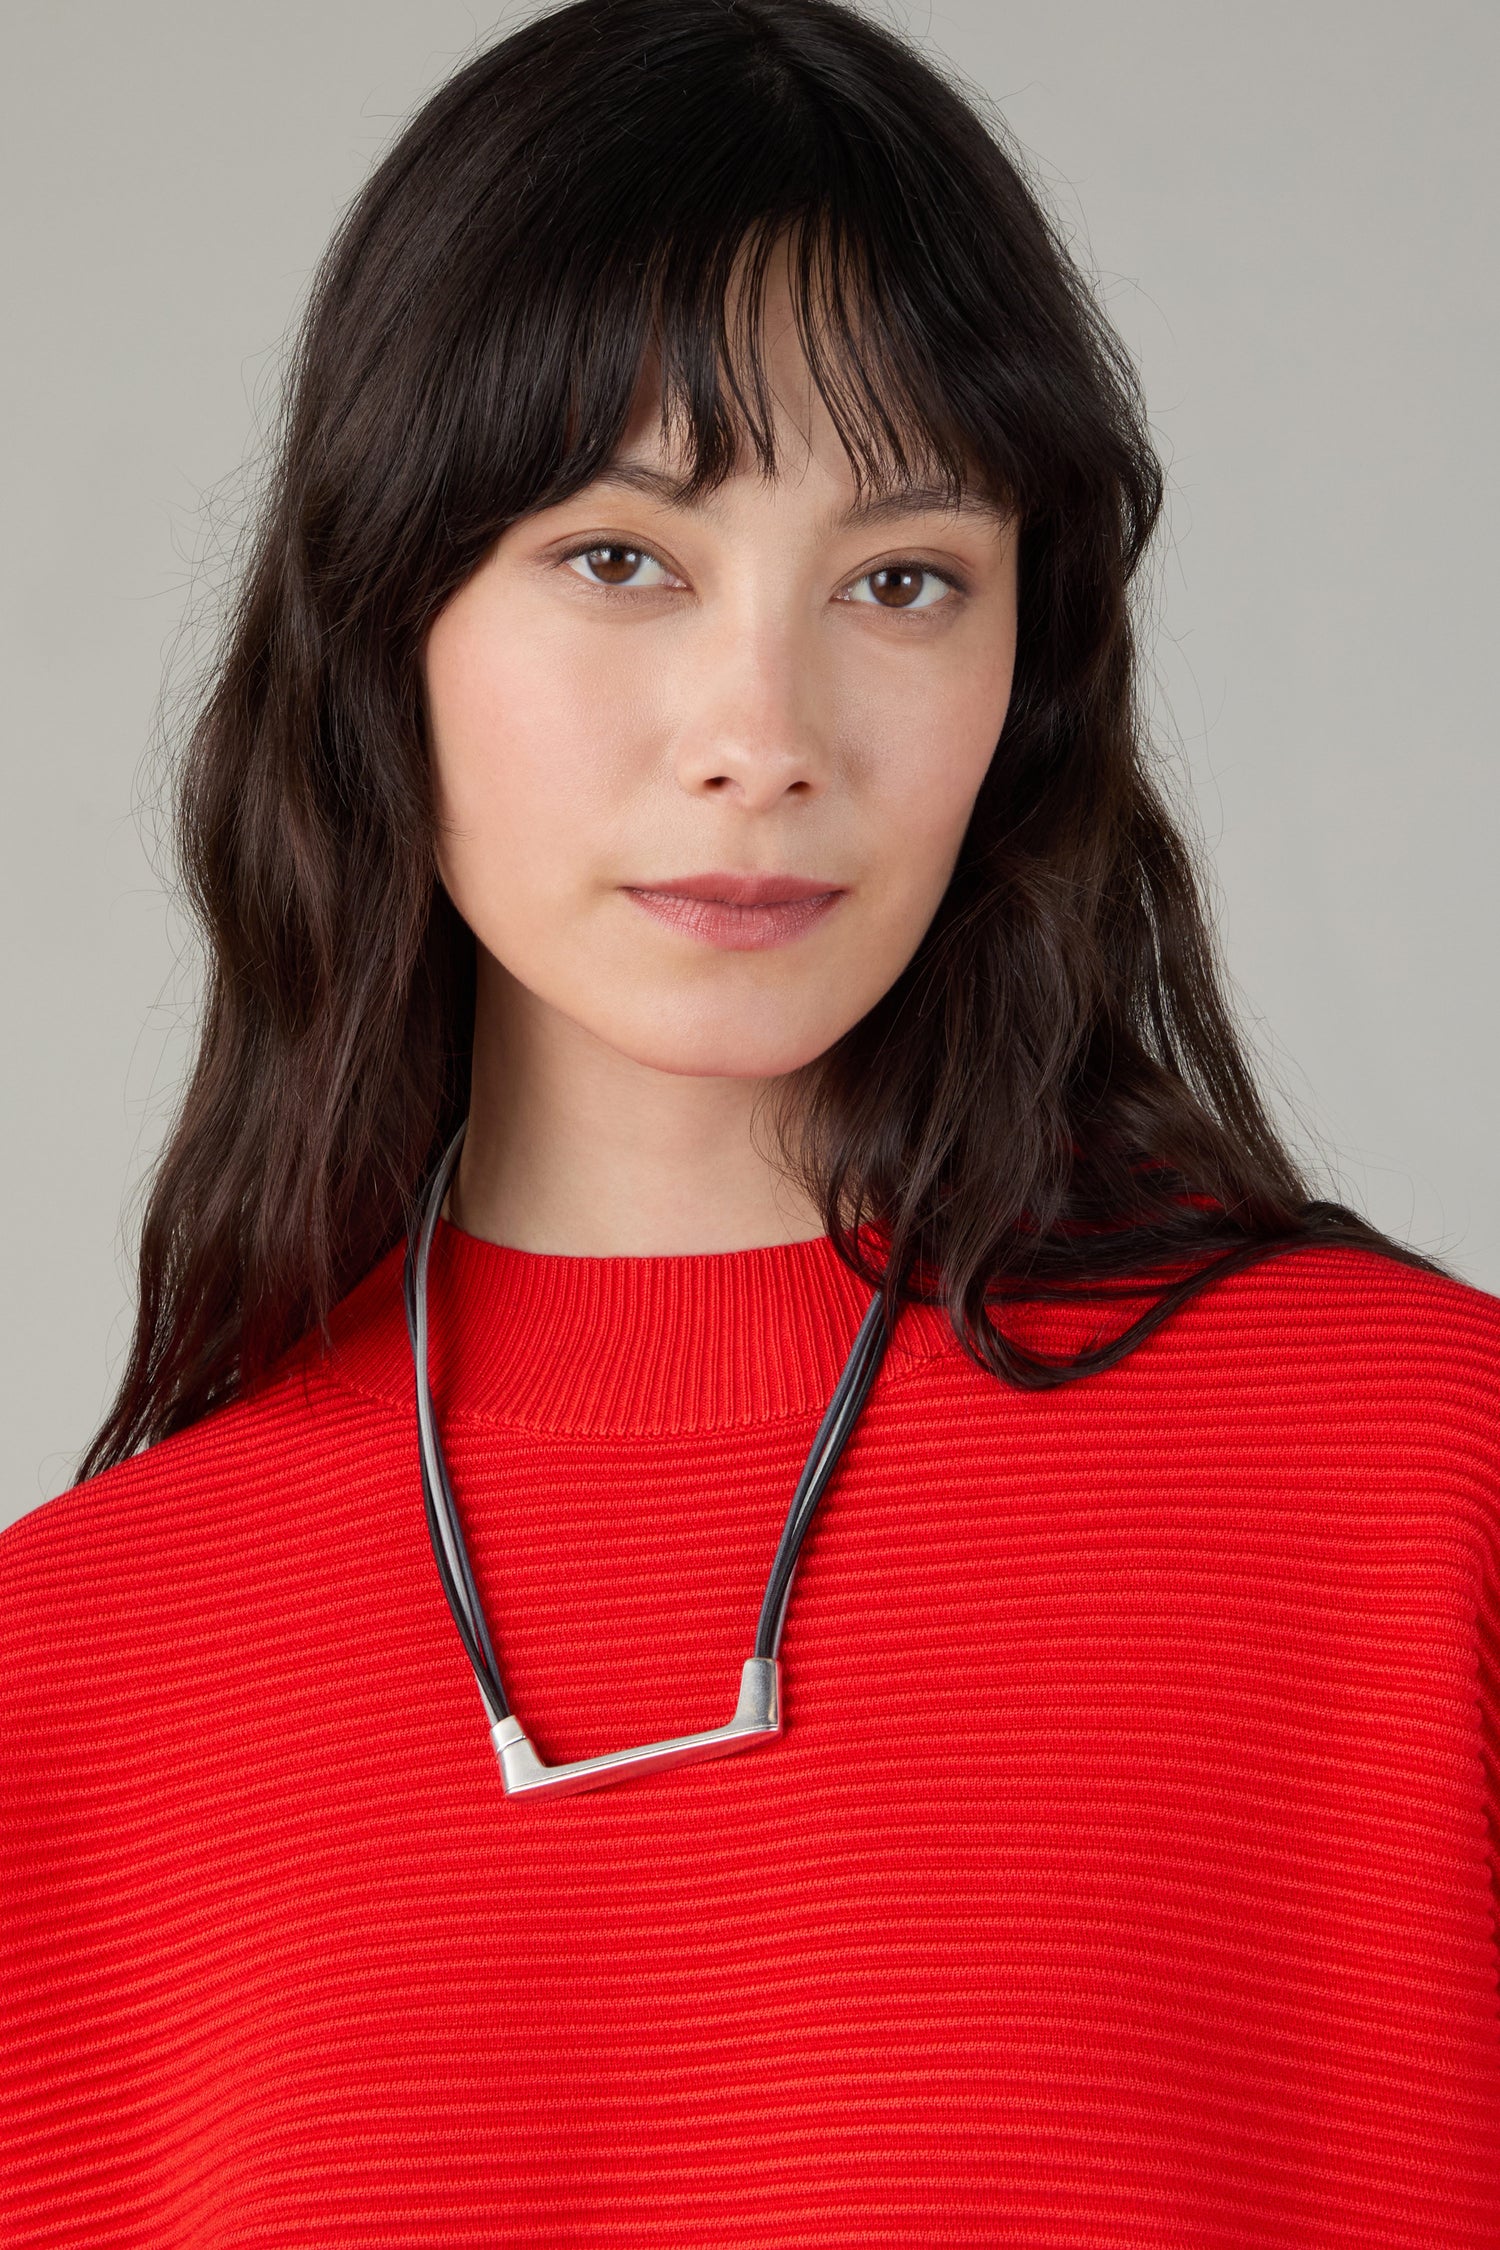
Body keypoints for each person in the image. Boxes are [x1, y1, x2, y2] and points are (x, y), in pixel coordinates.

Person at [3, 0, 1496, 2238]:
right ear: (383, 623)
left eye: (903, 581)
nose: (764, 730)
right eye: (623, 557)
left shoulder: (1426, 1495)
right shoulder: (72, 1686)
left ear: (1030, 672)